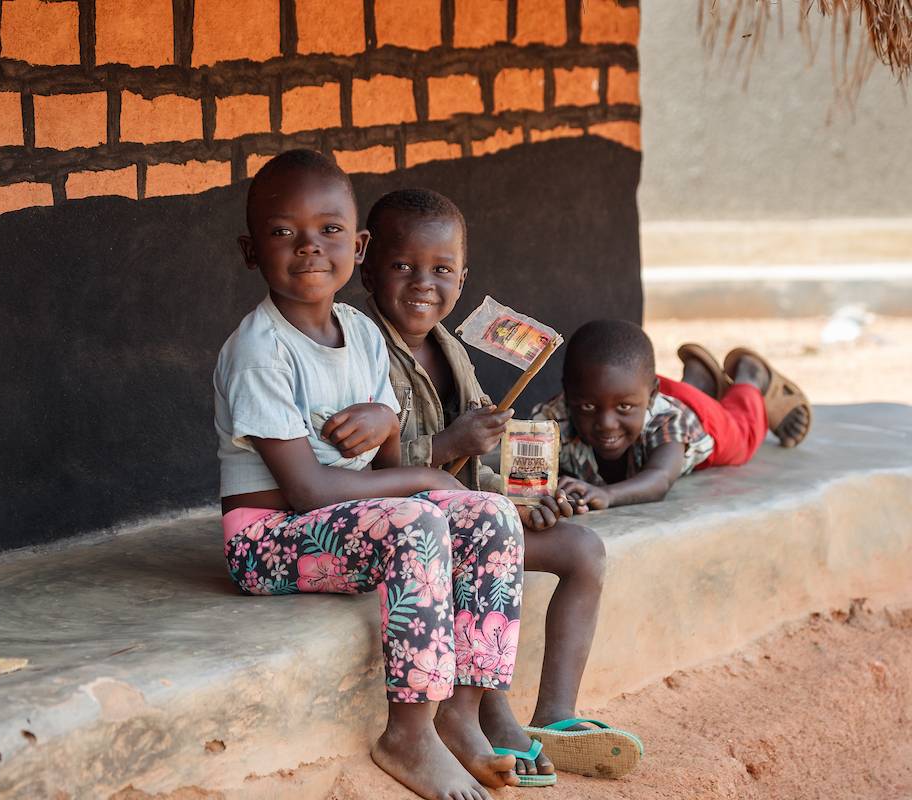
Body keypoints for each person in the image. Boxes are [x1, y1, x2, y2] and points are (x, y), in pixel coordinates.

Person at [214, 150, 541, 799]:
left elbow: (389, 470)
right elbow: (308, 491)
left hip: (350, 525)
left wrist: (389, 429)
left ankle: (462, 711)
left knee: (491, 514)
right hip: (268, 541)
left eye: (329, 230)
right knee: (422, 516)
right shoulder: (259, 351)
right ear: (252, 250)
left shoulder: (362, 335)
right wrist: (430, 483)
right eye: (285, 232)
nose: (310, 247)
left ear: (356, 245)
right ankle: (409, 733)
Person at [359, 188, 642, 781]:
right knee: (493, 543)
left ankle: (556, 715)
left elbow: (478, 467)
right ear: (366, 265)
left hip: (469, 518)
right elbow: (361, 475)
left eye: (441, 270)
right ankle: (490, 709)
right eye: (402, 266)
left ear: (464, 279)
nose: (422, 284)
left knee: (581, 549)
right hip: (409, 535)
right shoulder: (360, 351)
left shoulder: (452, 350)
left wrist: (527, 497)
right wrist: (451, 445)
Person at [535, 319, 812, 509]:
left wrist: (607, 495)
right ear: (568, 395)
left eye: (622, 408)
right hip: (634, 390)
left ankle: (751, 378)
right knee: (621, 396)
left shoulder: (668, 419)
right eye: (587, 407)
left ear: (653, 395)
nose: (606, 424)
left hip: (701, 419)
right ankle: (698, 381)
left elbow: (659, 479)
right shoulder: (553, 418)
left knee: (742, 436)